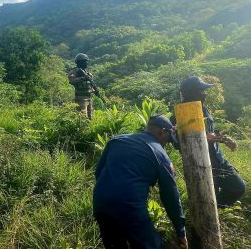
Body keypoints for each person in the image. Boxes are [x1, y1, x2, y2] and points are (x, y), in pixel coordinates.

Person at [93, 115, 188, 249]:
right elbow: (170, 195)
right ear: (162, 132)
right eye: (167, 139)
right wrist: (181, 231)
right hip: (129, 207)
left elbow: (98, 173)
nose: (166, 144)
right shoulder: (160, 154)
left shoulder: (117, 140)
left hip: (100, 204)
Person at [173, 75, 246, 208]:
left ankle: (218, 210)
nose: (204, 94)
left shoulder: (203, 108)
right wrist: (199, 138)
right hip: (200, 165)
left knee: (238, 187)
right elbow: (177, 143)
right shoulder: (179, 114)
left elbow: (211, 132)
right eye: (201, 91)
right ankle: (208, 220)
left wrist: (225, 139)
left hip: (219, 160)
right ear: (191, 93)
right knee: (208, 197)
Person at [68, 53, 95, 119]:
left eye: (86, 61)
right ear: (79, 62)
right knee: (82, 117)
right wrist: (83, 78)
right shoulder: (74, 71)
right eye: (85, 61)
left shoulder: (88, 73)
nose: (86, 63)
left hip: (89, 97)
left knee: (90, 117)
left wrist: (94, 91)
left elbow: (90, 85)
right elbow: (72, 81)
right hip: (80, 98)